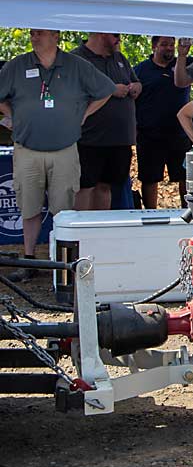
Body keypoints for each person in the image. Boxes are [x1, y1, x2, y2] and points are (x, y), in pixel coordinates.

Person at [0, 30, 114, 280]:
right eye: (32, 33)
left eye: (40, 33)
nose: (34, 37)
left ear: (56, 36)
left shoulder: (76, 65)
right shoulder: (17, 65)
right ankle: (29, 261)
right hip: (27, 149)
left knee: (63, 209)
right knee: (28, 208)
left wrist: (84, 114)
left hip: (64, 149)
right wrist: (12, 114)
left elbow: (106, 89)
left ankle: (61, 264)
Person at [71, 33, 141, 211]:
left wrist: (136, 87)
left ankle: (100, 231)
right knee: (85, 187)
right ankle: (82, 232)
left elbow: (136, 81)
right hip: (89, 138)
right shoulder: (77, 59)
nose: (119, 39)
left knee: (106, 186)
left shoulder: (120, 58)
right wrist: (110, 90)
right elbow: (71, 94)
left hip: (119, 139)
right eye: (115, 35)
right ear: (101, 34)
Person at [134, 36, 192, 208]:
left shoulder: (183, 65)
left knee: (185, 175)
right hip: (149, 135)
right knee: (149, 178)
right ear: (153, 46)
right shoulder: (140, 70)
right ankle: (151, 213)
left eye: (171, 45)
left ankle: (188, 211)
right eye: (164, 44)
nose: (169, 48)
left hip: (179, 133)